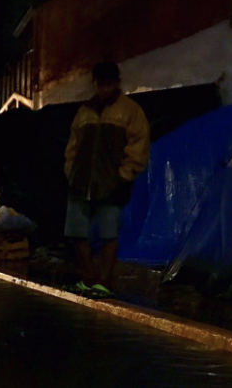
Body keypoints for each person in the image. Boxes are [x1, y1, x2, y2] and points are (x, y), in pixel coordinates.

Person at [64, 61, 149, 297]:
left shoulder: (130, 111)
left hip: (110, 183)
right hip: (81, 182)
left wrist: (123, 175)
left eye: (108, 84)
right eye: (101, 84)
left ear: (117, 82)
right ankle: (90, 277)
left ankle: (103, 281)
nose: (104, 89)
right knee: (77, 233)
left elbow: (138, 146)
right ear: (95, 83)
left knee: (109, 234)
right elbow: (72, 147)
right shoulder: (84, 112)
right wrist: (71, 173)